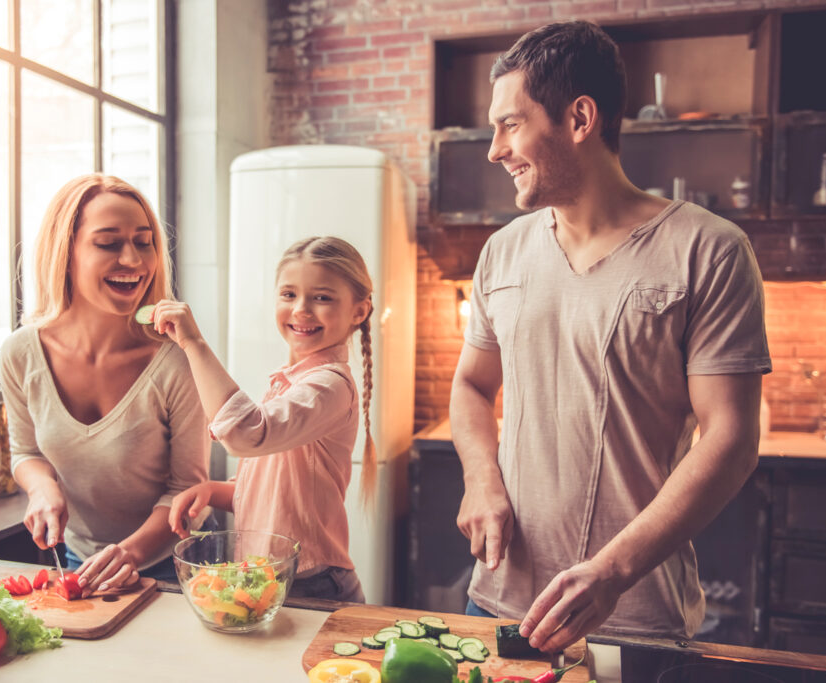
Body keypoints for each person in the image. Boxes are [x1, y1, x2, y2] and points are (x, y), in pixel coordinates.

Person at [450, 21, 771, 651]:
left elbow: (731, 439)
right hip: (497, 598)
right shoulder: (501, 254)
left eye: (511, 124)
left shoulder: (708, 250)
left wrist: (612, 571)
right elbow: (469, 383)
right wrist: (480, 477)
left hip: (633, 614)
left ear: (579, 118)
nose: (494, 149)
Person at [0, 173, 211, 597]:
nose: (133, 260)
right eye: (108, 243)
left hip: (179, 570)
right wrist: (43, 489)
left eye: (144, 241)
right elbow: (26, 452)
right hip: (82, 563)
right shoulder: (21, 353)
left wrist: (130, 553)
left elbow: (188, 490)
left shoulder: (176, 359)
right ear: (67, 253)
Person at [155, 236, 376, 603]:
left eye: (322, 298)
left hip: (311, 581)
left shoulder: (329, 386)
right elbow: (273, 494)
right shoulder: (291, 384)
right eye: (289, 295)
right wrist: (212, 490)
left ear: (358, 312)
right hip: (276, 575)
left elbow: (245, 434)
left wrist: (193, 343)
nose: (301, 310)